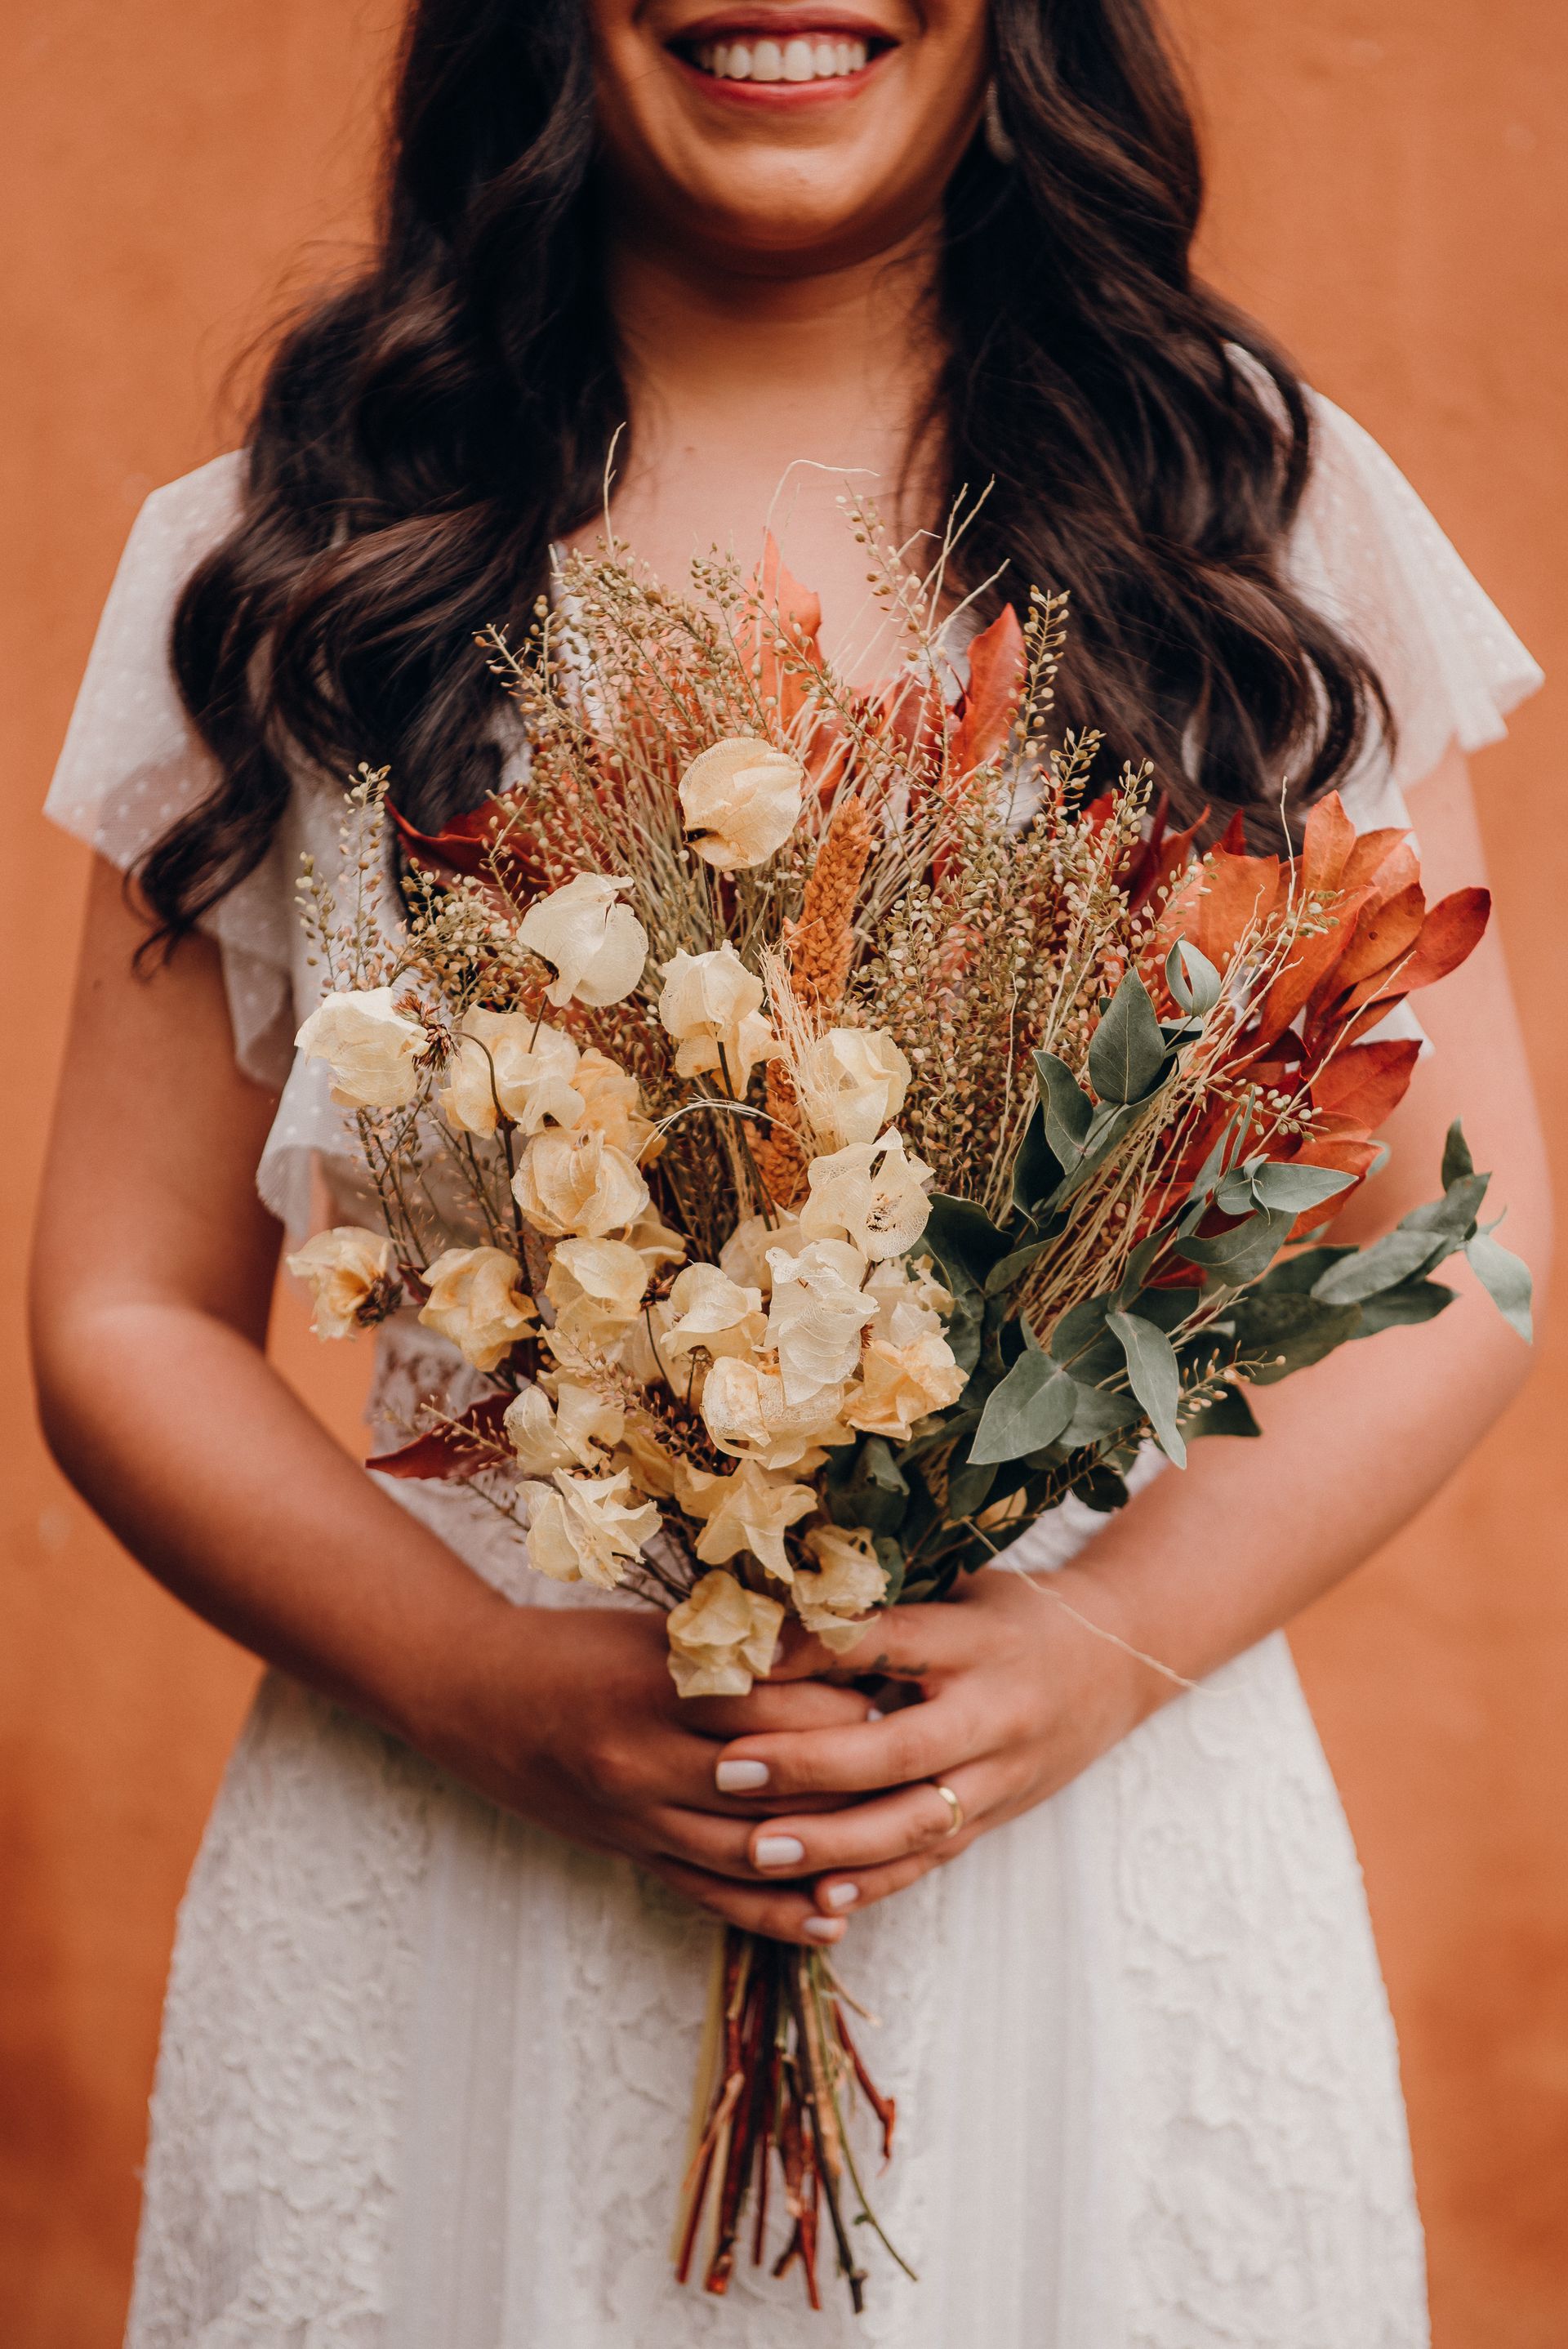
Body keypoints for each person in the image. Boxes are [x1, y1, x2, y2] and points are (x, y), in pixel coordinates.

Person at [31, 2, 1551, 2342]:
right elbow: (121, 1310)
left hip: (1087, 1866)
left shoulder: (1236, 515)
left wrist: (1080, 1650)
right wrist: (497, 1686)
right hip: (465, 1864)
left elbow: (1471, 1260)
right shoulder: (304, 559)